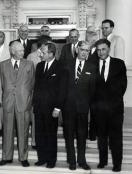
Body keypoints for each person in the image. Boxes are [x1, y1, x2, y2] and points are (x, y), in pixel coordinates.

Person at [0, 41, 34, 167]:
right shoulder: (2, 65)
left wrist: (28, 101)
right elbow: (1, 84)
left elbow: (31, 85)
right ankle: (6, 157)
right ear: (12, 51)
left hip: (23, 103)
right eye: (20, 51)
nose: (23, 52)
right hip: (8, 103)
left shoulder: (29, 64)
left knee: (23, 132)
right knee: (7, 131)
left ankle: (23, 158)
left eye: (23, 50)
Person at [62, 41, 96, 170]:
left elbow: (93, 90)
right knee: (69, 135)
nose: (85, 52)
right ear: (77, 50)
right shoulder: (67, 65)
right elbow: (62, 88)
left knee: (82, 135)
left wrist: (89, 106)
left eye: (87, 50)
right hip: (68, 108)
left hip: (83, 108)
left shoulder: (92, 67)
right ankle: (72, 161)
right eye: (82, 49)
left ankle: (82, 160)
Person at [94, 39, 127, 172]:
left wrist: (110, 101)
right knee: (101, 136)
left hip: (115, 108)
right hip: (99, 108)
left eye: (103, 49)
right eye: (98, 50)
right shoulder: (92, 64)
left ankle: (117, 164)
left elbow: (122, 86)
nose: (101, 52)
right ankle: (103, 161)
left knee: (116, 137)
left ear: (109, 49)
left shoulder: (119, 64)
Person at [32, 42, 66, 168]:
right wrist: (35, 104)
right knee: (40, 134)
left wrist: (58, 108)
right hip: (39, 107)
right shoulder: (40, 66)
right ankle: (42, 158)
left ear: (51, 54)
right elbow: (36, 87)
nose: (40, 54)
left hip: (52, 109)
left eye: (43, 52)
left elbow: (62, 90)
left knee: (51, 135)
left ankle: (51, 160)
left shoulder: (61, 67)